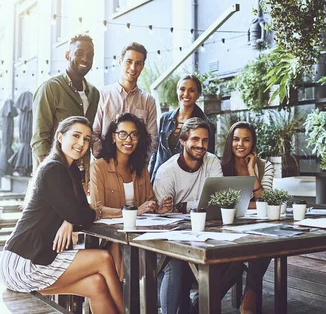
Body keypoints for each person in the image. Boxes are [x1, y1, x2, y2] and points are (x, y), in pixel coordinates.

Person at [0, 116, 123, 314]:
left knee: (96, 284)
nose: (81, 143)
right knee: (103, 259)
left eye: (86, 139)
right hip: (23, 263)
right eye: (76, 135)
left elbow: (79, 211)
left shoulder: (71, 169)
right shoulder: (53, 169)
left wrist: (69, 220)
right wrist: (72, 218)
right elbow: (81, 215)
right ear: (59, 137)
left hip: (37, 258)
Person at [90, 112, 173, 278]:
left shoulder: (141, 169)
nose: (128, 140)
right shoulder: (98, 168)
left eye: (134, 135)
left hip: (140, 235)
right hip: (111, 239)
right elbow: (97, 209)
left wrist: (158, 209)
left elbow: (148, 202)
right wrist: (136, 211)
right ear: (113, 137)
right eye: (123, 134)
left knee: (171, 262)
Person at [153, 118, 223, 314]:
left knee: (236, 257)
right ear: (183, 141)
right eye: (195, 139)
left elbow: (218, 201)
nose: (201, 145)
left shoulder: (212, 161)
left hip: (208, 232)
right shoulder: (166, 172)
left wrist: (184, 206)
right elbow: (162, 216)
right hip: (173, 238)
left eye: (205, 140)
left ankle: (198, 304)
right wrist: (193, 206)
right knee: (174, 263)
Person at [221, 121, 274, 314]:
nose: (240, 144)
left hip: (258, 227)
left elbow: (267, 203)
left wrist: (252, 172)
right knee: (238, 260)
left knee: (266, 242)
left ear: (253, 143)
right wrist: (253, 204)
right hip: (226, 227)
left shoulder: (263, 165)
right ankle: (245, 298)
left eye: (246, 139)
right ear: (230, 141)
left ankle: (249, 296)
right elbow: (221, 204)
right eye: (236, 139)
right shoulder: (220, 166)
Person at [31, 33, 99, 172]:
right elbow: (40, 138)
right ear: (67, 56)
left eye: (90, 55)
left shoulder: (94, 93)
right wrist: (51, 172)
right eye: (79, 53)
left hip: (80, 173)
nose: (85, 59)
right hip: (53, 172)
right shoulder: (51, 87)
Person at [92, 42, 157, 158]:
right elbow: (93, 132)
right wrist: (104, 157)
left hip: (135, 167)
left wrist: (139, 162)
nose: (133, 67)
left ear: (143, 66)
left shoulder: (148, 101)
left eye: (138, 63)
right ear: (120, 61)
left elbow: (152, 139)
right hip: (104, 163)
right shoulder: (102, 95)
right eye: (129, 61)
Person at [149, 74, 216, 182]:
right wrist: (149, 177)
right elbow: (156, 153)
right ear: (177, 91)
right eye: (182, 89)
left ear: (198, 94)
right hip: (158, 179)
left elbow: (207, 160)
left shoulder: (206, 125)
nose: (186, 94)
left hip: (184, 184)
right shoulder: (164, 119)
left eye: (192, 90)